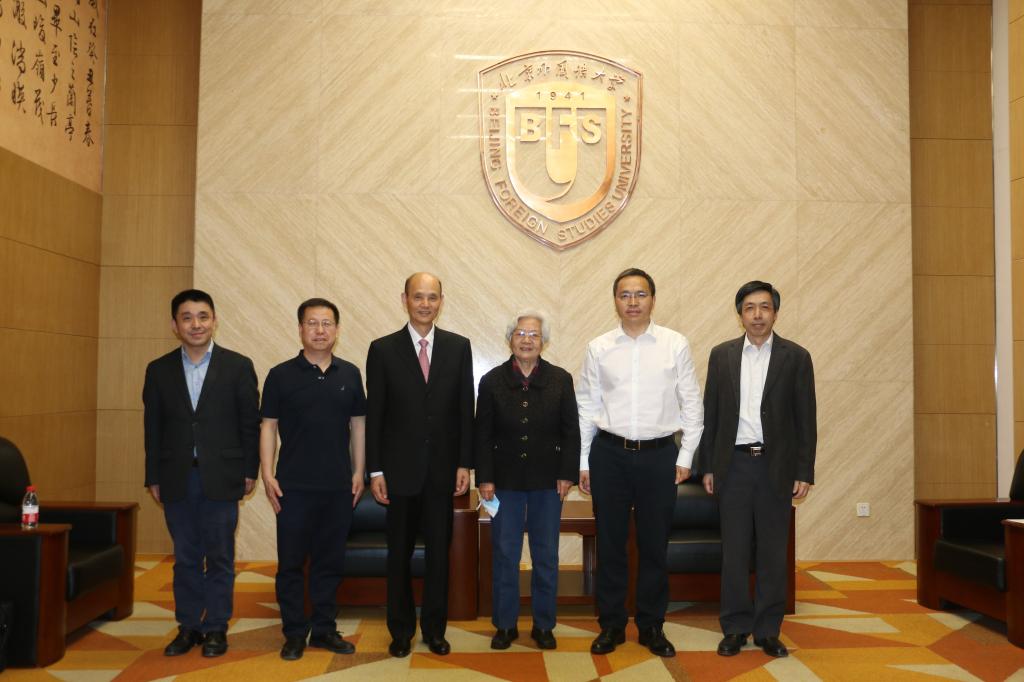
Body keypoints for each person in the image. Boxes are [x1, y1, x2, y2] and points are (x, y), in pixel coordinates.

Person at [577, 268, 704, 658]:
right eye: (625, 295)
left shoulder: (674, 344)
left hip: (659, 456)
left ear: (653, 299)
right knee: (610, 545)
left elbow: (692, 403)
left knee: (653, 546)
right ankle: (612, 625)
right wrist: (583, 461)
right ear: (615, 301)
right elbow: (587, 406)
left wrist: (685, 456)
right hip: (609, 455)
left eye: (640, 294)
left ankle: (651, 626)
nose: (633, 302)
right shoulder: (599, 347)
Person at [699, 281, 816, 659]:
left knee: (772, 553)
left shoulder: (796, 357)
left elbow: (806, 419)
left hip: (775, 467)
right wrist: (708, 466)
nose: (757, 315)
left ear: (775, 313)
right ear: (740, 315)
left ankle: (768, 630)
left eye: (765, 307)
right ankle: (734, 628)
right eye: (749, 308)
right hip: (733, 466)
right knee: (733, 552)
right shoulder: (722, 356)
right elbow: (712, 414)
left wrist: (804, 470)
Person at [143, 289, 259, 658]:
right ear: (174, 325)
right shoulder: (158, 370)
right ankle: (189, 626)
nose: (196, 324)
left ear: (214, 320)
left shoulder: (238, 366)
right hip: (176, 476)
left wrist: (250, 470)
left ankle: (216, 628)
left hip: (222, 475)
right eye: (187, 317)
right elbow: (152, 428)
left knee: (220, 556)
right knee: (186, 557)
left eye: (203, 316)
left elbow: (249, 424)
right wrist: (153, 476)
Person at [366, 272, 474, 658]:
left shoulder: (459, 347)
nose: (425, 304)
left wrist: (465, 463)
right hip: (398, 474)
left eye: (432, 297)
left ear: (441, 301)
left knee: (439, 557)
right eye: (418, 297)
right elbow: (375, 414)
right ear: (405, 300)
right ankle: (400, 631)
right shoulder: (382, 349)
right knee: (398, 555)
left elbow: (465, 409)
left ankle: (434, 630)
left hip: (442, 472)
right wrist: (375, 470)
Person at [259, 298, 366, 661]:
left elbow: (358, 425)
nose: (320, 330)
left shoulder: (350, 374)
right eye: (312, 323)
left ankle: (323, 630)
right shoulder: (280, 375)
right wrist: (267, 473)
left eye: (327, 323)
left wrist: (358, 471)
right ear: (300, 329)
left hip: (337, 486)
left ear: (337, 329)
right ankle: (293, 633)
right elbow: (268, 426)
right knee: (290, 564)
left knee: (329, 563)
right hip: (293, 486)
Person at [475, 310, 581, 651]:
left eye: (534, 334)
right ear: (510, 339)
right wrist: (485, 478)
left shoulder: (560, 379)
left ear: (543, 342)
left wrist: (566, 474)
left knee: (545, 555)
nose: (526, 340)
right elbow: (482, 435)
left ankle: (543, 625)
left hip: (548, 484)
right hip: (503, 483)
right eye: (520, 333)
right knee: (505, 554)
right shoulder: (491, 381)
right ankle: (505, 625)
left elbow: (571, 432)